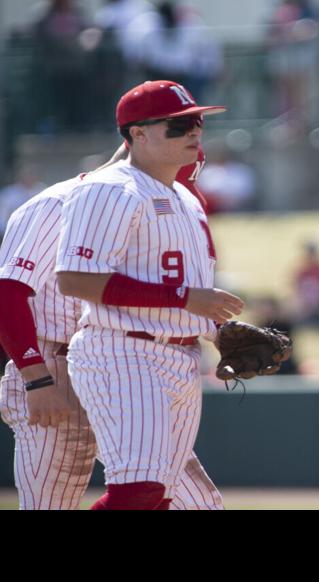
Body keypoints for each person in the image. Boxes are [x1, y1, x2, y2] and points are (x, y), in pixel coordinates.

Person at [51, 82, 240, 510]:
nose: (194, 132)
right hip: (123, 352)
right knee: (139, 491)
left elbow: (180, 289)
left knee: (160, 499)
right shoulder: (110, 188)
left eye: (196, 122)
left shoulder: (187, 199)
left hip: (179, 357)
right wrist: (184, 299)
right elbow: (76, 279)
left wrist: (215, 328)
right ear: (137, 134)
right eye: (177, 125)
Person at [2, 144, 222, 509]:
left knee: (192, 502)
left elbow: (162, 294)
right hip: (53, 366)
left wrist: (219, 333)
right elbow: (8, 292)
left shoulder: (163, 210)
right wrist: (35, 378)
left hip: (131, 365)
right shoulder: (55, 204)